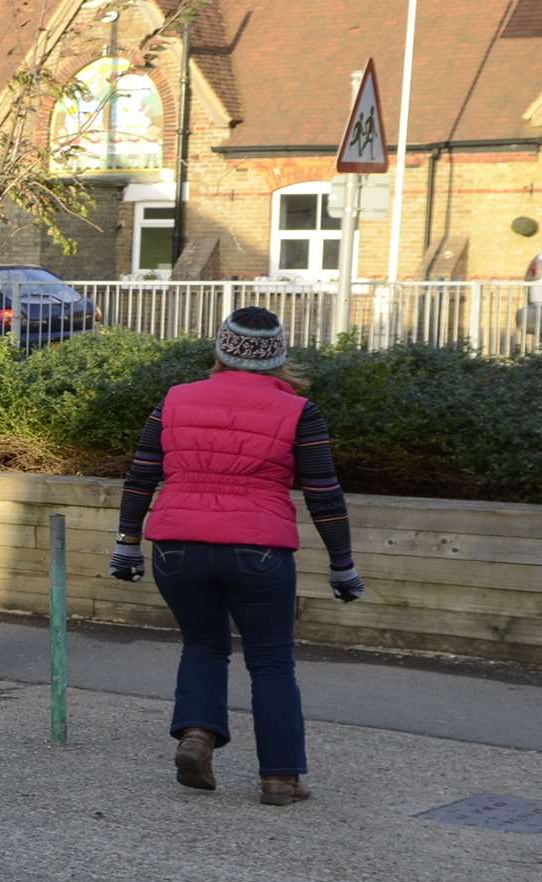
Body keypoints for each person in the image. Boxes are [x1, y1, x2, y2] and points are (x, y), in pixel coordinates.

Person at [108, 307, 365, 806]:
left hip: (176, 546)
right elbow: (324, 493)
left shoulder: (175, 400)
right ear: (277, 356)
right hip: (259, 550)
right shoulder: (299, 412)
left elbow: (140, 475)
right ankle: (280, 779)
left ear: (221, 349)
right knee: (270, 661)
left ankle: (198, 735)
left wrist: (126, 544)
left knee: (203, 645)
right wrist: (343, 565)